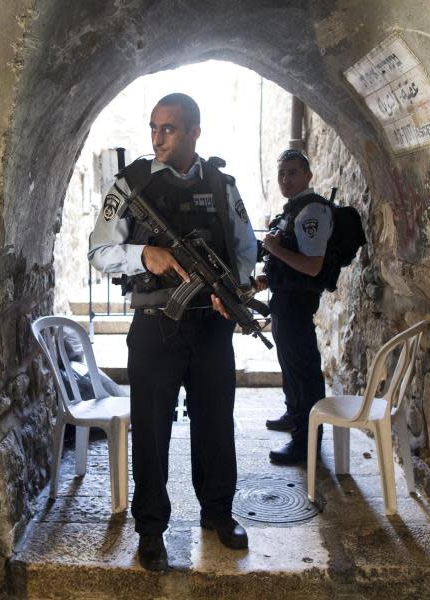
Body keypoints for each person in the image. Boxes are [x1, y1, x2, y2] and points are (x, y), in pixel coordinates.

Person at [88, 93, 257, 571]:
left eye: (170, 129)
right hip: (155, 328)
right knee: (152, 432)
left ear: (195, 132)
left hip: (210, 326)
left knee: (216, 426)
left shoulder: (222, 185)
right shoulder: (130, 184)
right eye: (154, 128)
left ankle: (219, 514)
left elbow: (246, 250)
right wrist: (145, 255)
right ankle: (150, 529)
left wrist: (235, 290)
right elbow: (99, 251)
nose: (158, 138)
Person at [256, 149, 333, 464]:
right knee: (289, 365)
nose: (285, 179)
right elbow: (290, 257)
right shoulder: (294, 211)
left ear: (308, 176)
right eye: (282, 174)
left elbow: (313, 266)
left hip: (298, 304)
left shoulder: (312, 211)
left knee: (304, 372)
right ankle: (293, 415)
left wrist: (275, 249)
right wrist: (269, 274)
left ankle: (305, 442)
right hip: (284, 299)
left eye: (292, 173)